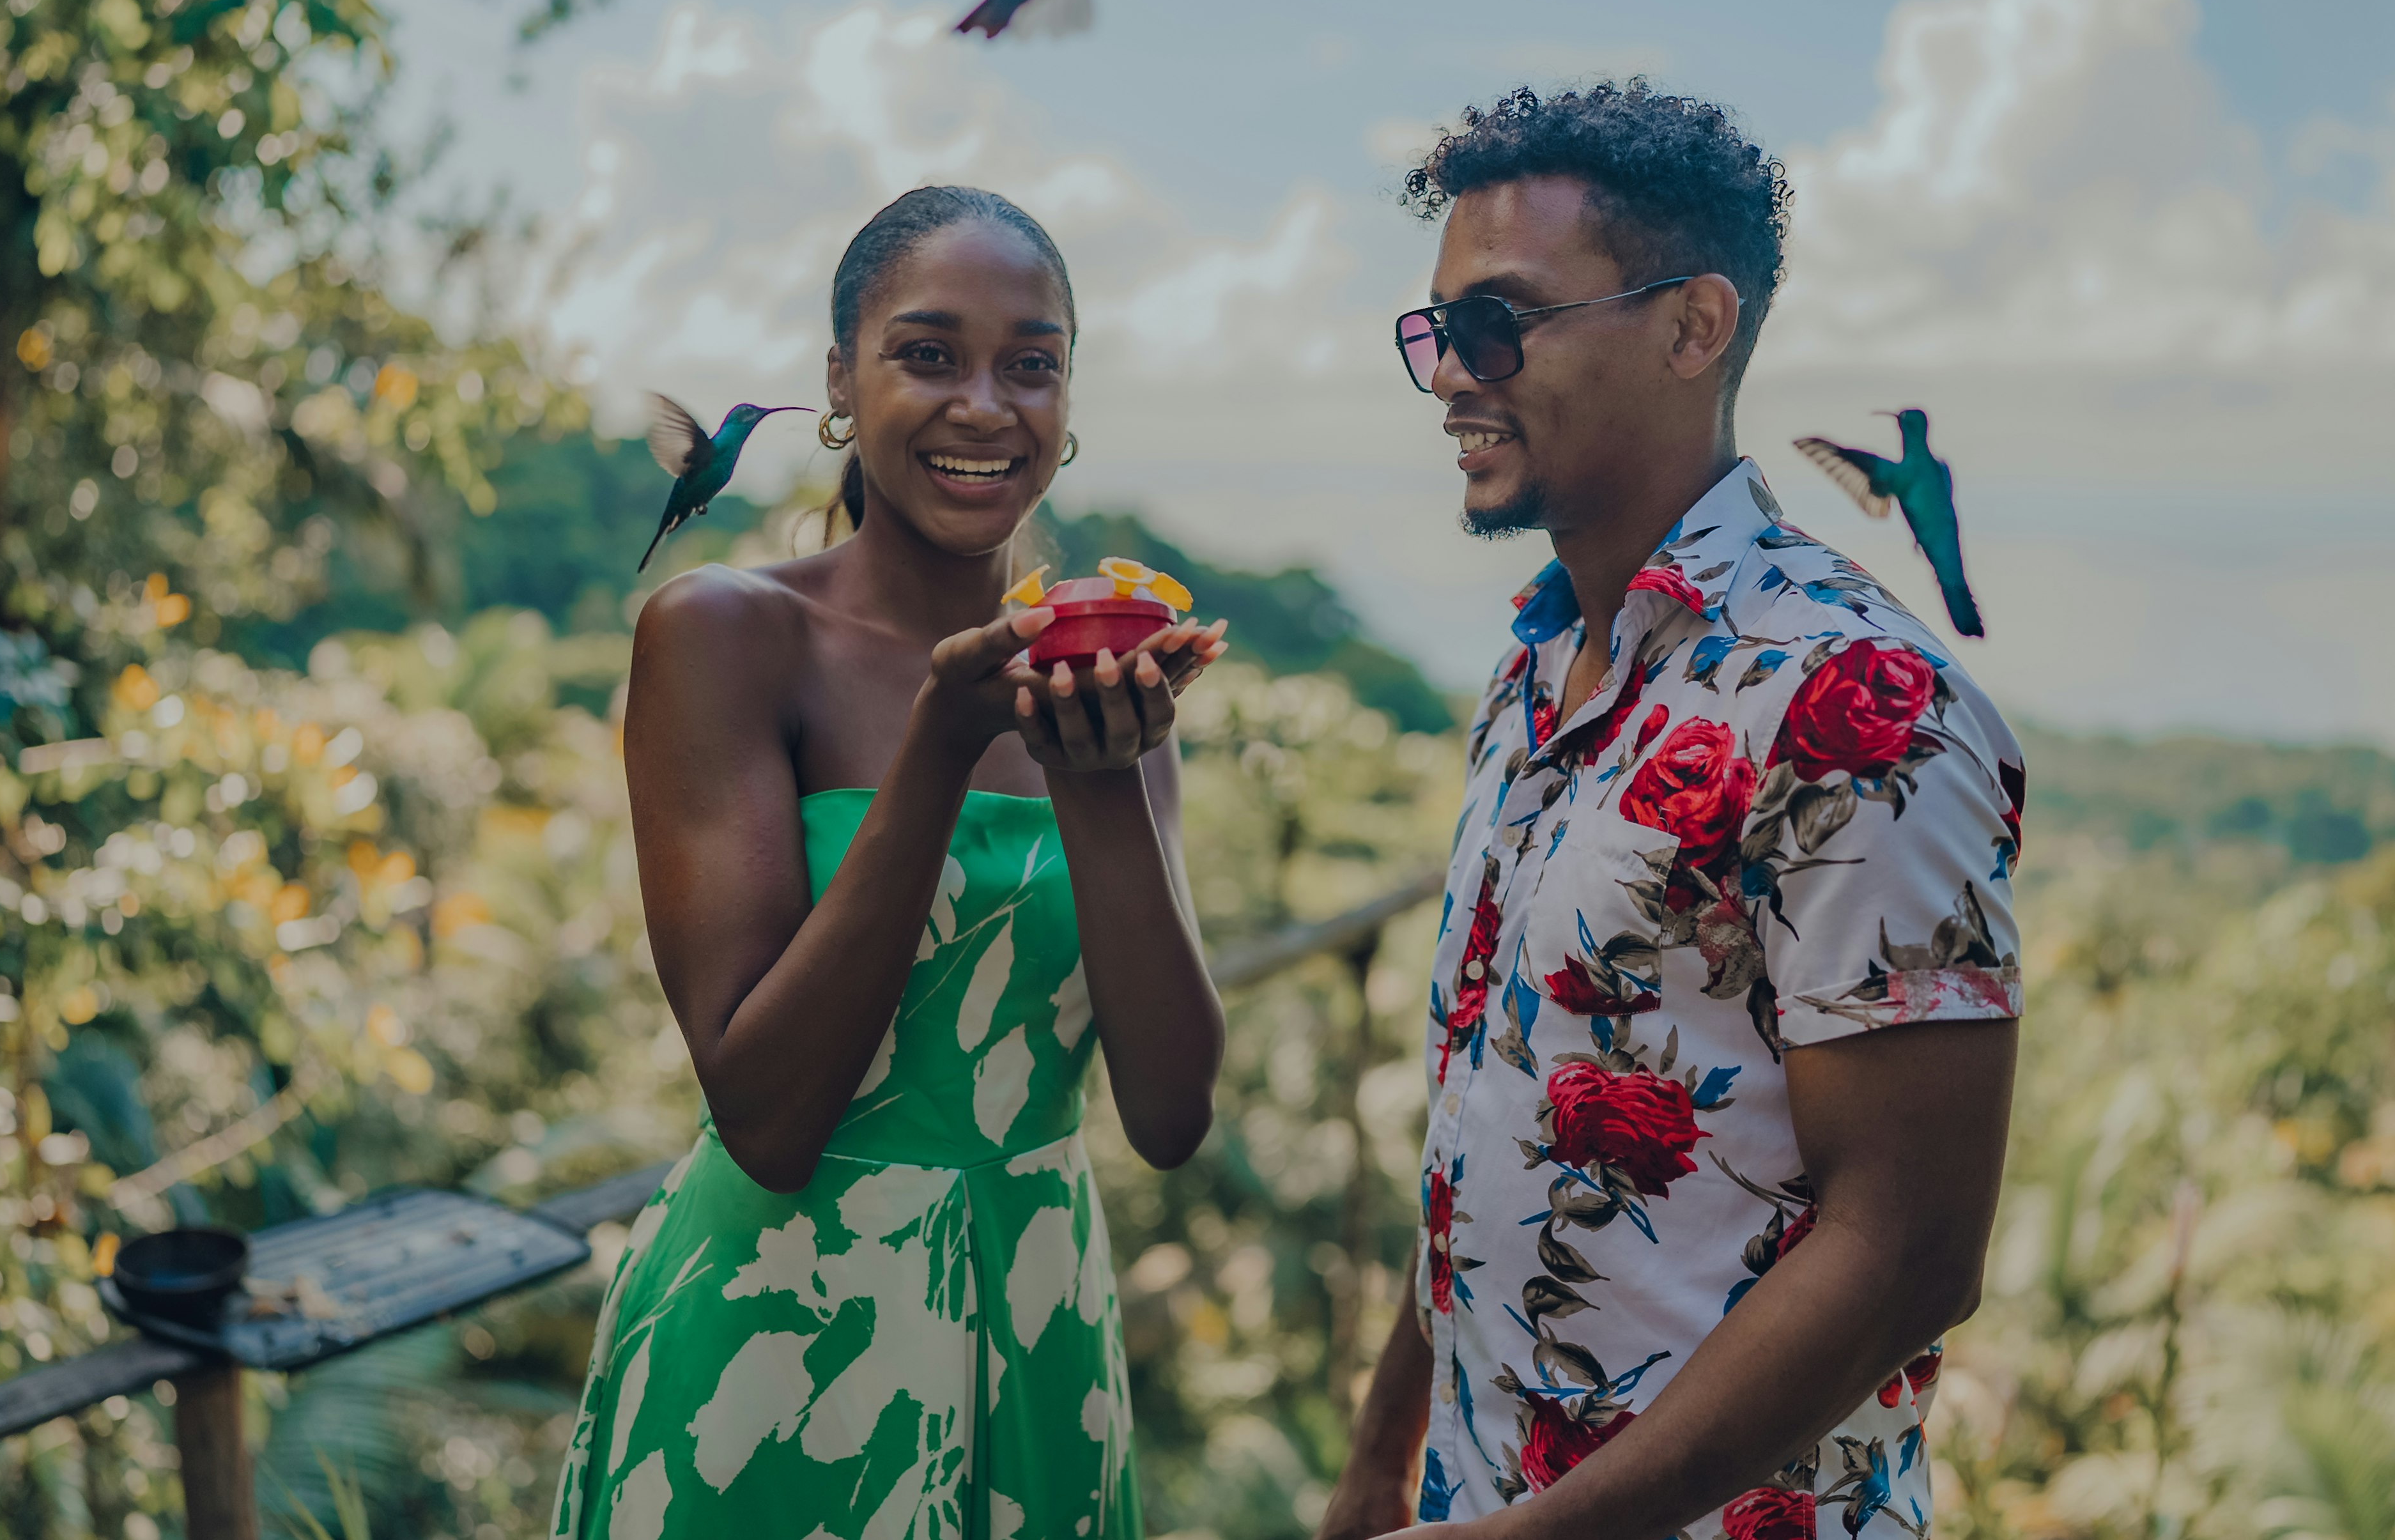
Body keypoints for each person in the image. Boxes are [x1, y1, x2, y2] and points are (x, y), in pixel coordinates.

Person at [1318, 84, 2025, 1540]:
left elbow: (1910, 1245)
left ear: (1695, 325)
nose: (1452, 374)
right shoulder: (1534, 664)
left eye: (1498, 325)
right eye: (1436, 330)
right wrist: (1385, 1459)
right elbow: (1485, 1106)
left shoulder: (1852, 697)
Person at [550, 186, 1228, 1540]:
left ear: (1068, 403)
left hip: (1037, 1323)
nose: (986, 404)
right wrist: (937, 747)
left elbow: (1167, 1113)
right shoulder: (726, 633)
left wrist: (1100, 779)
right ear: (841, 388)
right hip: (778, 1342)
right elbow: (771, 1114)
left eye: (1030, 365)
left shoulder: (1107, 665)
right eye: (929, 354)